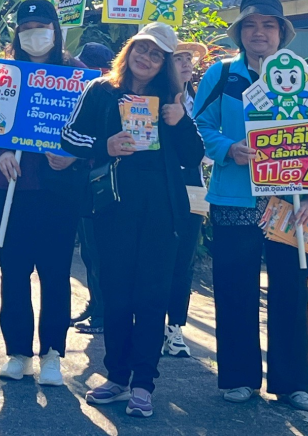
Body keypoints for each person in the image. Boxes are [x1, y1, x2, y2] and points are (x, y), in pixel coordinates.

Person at [62, 23, 204, 418]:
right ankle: (117, 376)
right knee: (117, 294)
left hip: (163, 213)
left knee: (152, 297)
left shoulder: (172, 99)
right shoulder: (102, 91)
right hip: (112, 208)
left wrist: (181, 120)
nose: (147, 58)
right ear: (129, 51)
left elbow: (193, 157)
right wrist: (103, 145)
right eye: (142, 49)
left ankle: (144, 384)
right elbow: (69, 138)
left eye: (156, 54)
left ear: (165, 63)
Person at [195, 0, 308, 411]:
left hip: (289, 202)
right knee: (234, 287)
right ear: (240, 33)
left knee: (290, 289)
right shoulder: (222, 74)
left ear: (282, 32)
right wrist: (228, 148)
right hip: (233, 198)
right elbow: (199, 126)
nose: (259, 33)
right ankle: (238, 377)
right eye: (251, 25)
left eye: (268, 25)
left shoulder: (303, 76)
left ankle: (293, 385)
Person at [0, 0, 84, 387]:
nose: (34, 34)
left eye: (41, 26)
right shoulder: (1, 72)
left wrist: (72, 156)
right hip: (9, 187)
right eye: (26, 28)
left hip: (59, 191)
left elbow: (93, 130)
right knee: (13, 271)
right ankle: (18, 353)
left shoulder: (77, 76)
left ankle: (53, 354)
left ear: (56, 30)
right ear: (17, 34)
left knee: (56, 273)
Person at [164, 40, 209, 359]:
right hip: (159, 183)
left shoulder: (201, 99)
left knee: (184, 258)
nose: (185, 64)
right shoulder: (154, 98)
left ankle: (175, 326)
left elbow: (206, 152)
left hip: (194, 184)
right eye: (178, 58)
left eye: (188, 59)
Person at [71, 41, 115, 336]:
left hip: (104, 184)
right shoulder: (89, 92)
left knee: (101, 251)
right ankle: (95, 303)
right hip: (85, 183)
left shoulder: (109, 95)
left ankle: (102, 314)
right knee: (89, 250)